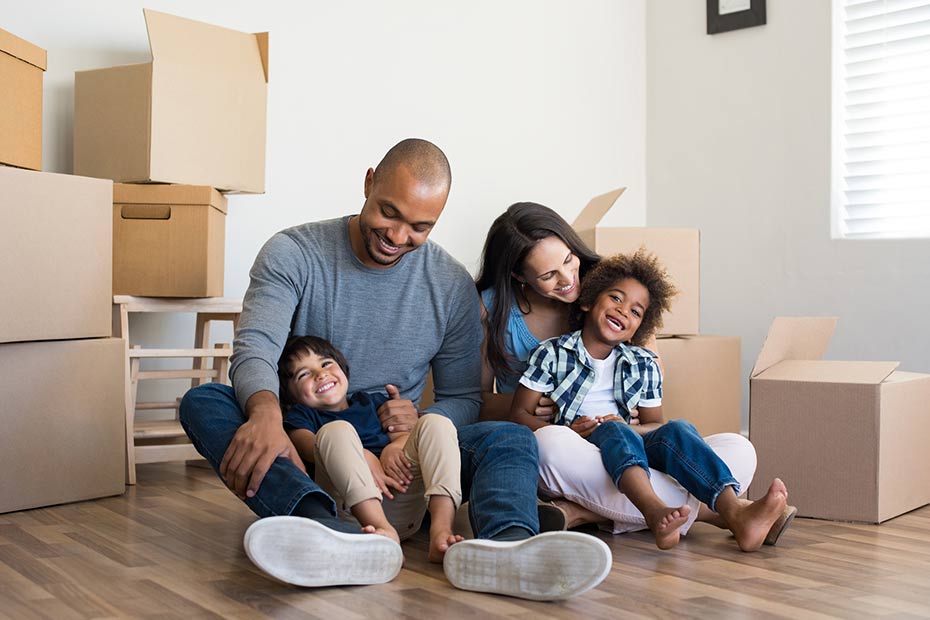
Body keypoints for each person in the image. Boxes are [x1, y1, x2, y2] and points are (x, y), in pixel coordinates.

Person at [179, 139, 611, 600]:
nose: (398, 236)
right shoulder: (293, 253)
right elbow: (256, 347)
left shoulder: (449, 285)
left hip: (404, 462)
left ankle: (506, 547)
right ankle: (318, 525)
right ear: (368, 183)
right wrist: (266, 414)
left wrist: (414, 427)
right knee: (206, 402)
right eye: (389, 212)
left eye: (420, 226)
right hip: (307, 443)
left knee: (509, 436)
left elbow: (464, 397)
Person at [475, 203, 794, 544]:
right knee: (551, 444)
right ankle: (720, 513)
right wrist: (546, 412)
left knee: (738, 448)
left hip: (630, 442)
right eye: (548, 275)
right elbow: (477, 402)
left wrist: (631, 428)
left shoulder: (615, 286)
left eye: (569, 260)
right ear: (519, 276)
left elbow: (652, 415)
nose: (570, 280)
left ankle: (582, 512)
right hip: (565, 446)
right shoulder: (511, 323)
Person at [277, 335, 464, 562]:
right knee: (336, 430)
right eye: (304, 374)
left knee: (436, 423)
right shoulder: (301, 416)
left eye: (326, 363)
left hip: (402, 497)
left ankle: (441, 530)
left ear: (343, 370)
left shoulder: (371, 402)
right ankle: (382, 530)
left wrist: (393, 447)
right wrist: (362, 455)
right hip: (353, 512)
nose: (320, 374)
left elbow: (404, 435)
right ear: (290, 394)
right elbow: (308, 447)